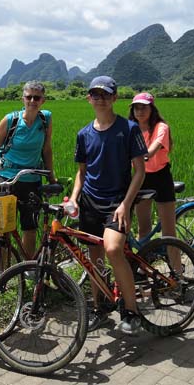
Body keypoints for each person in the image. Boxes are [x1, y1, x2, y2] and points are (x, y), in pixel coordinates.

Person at [66, 76, 148, 334]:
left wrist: (126, 204)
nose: (100, 99)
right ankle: (100, 308)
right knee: (94, 259)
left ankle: (132, 310)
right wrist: (74, 198)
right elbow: (82, 171)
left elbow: (140, 171)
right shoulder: (84, 134)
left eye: (105, 94)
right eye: (95, 94)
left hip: (117, 202)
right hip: (90, 201)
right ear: (89, 98)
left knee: (113, 250)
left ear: (114, 98)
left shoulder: (128, 128)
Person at [0, 80, 56, 258]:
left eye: (37, 97)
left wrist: (51, 176)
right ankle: (1, 275)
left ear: (43, 101)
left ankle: (27, 270)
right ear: (22, 98)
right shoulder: (10, 120)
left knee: (30, 227)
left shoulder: (45, 119)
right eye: (29, 97)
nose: (32, 101)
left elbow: (46, 149)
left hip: (31, 179)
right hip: (5, 180)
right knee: (2, 231)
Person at [128, 92, 182, 273]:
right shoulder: (131, 128)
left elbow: (150, 151)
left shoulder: (161, 127)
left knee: (169, 233)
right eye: (136, 107)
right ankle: (144, 269)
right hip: (141, 178)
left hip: (161, 178)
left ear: (152, 108)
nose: (140, 111)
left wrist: (136, 156)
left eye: (144, 107)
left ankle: (178, 275)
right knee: (143, 228)